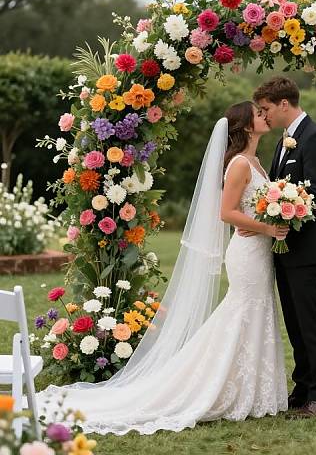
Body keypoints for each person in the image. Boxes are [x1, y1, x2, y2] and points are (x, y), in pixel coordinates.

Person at [37, 101, 289, 435]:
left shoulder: (256, 160)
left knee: (257, 311)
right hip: (248, 251)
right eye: (259, 114)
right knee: (242, 311)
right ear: (245, 126)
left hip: (259, 250)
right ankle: (212, 385)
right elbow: (226, 213)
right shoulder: (240, 163)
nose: (265, 116)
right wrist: (268, 228)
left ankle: (255, 390)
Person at [247, 76, 316, 419]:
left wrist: (286, 207)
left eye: (267, 109)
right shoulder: (284, 142)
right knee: (296, 324)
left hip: (308, 250)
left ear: (284, 104)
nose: (265, 115)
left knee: (312, 322)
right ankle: (302, 389)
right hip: (284, 249)